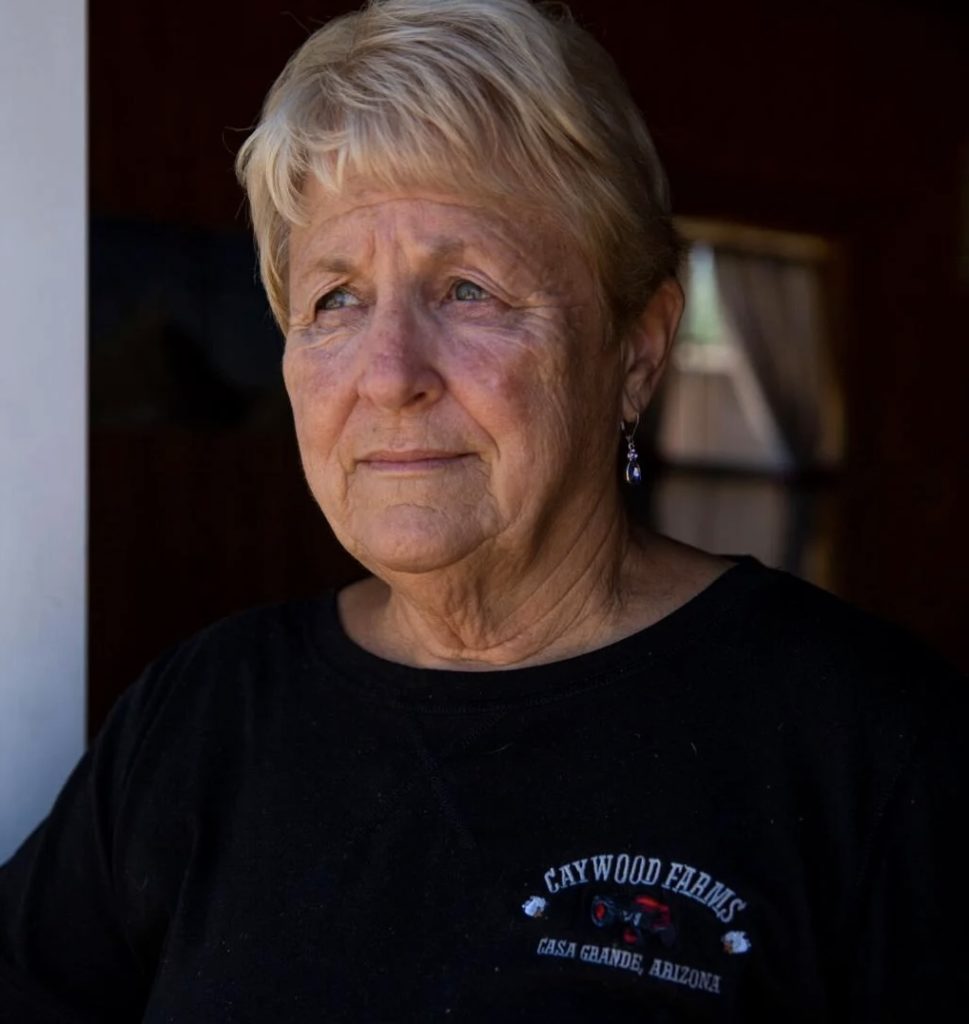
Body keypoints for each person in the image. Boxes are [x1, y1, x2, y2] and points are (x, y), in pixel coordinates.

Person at [0, 0, 965, 1020]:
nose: (389, 375)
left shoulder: (872, 748)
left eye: (467, 289)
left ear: (637, 350)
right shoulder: (202, 715)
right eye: (335, 299)